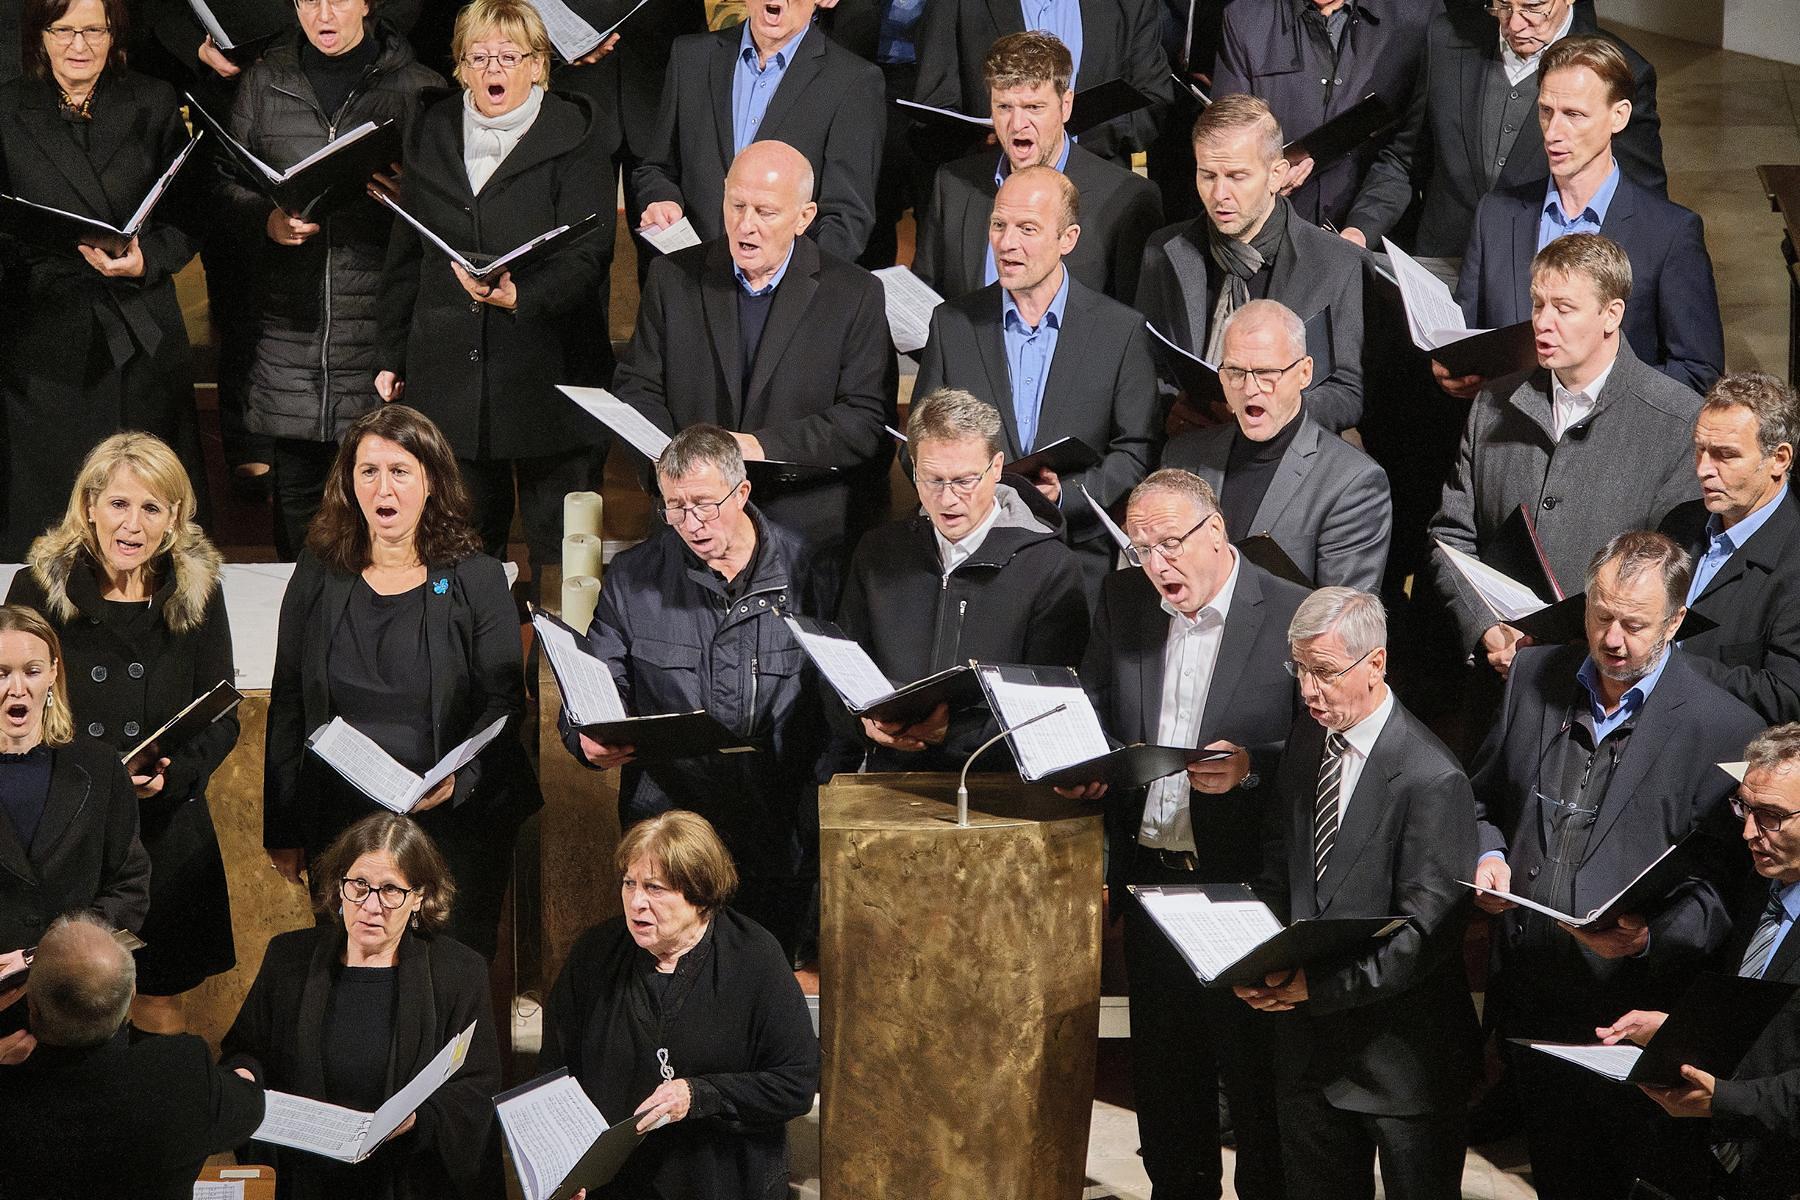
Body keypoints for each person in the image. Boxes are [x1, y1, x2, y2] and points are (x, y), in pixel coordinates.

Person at [1469, 531, 1764, 1200]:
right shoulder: (1531, 677)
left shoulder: (1722, 726)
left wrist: (1650, 935)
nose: (1611, 638)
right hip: (1531, 994)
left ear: (1676, 622)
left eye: (1634, 624)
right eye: (1600, 615)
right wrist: (1487, 853)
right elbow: (1479, 798)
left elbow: (1729, 887)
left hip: (1631, 1014)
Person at [1059, 468, 1308, 1200]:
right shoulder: (1124, 600)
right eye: (1141, 549)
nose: (1157, 565)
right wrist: (1089, 764)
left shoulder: (1290, 611)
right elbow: (1095, 703)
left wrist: (1252, 769)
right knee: (1167, 1081)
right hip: (1152, 879)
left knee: (1255, 1081)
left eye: (1170, 544)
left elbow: (1323, 747)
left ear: (1216, 531)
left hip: (1245, 887)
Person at [264, 404, 540, 961]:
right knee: (353, 970)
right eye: (368, 471)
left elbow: (504, 702)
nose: (382, 488)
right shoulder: (320, 568)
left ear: (431, 480)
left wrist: (458, 781)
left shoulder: (476, 576)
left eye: (400, 471)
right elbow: (289, 694)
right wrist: (283, 825)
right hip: (342, 819)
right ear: (348, 482)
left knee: (446, 974)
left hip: (451, 819)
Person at [1236, 586, 1480, 1200]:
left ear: (1376, 663)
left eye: (1324, 672)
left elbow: (1423, 938)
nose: (1309, 690)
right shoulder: (1309, 738)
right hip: (1309, 1057)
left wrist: (1315, 988)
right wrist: (1253, 961)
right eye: (1300, 670)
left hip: (1402, 1064)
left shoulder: (1432, 777)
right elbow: (1281, 871)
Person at [564, 426, 830, 960]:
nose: (692, 523)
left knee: (762, 970)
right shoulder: (635, 576)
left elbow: (836, 703)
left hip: (777, 822)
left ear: (742, 492)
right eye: (676, 507)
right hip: (668, 823)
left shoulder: (810, 571)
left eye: (705, 504)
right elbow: (596, 680)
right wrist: (583, 736)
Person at [5, 434, 237, 1036]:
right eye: (118, 504)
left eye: (152, 508)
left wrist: (171, 777)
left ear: (174, 517)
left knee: (158, 999)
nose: (132, 524)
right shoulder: (38, 588)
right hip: (66, 833)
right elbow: (14, 703)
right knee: (56, 1003)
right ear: (89, 506)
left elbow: (221, 717)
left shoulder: (199, 592)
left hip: (166, 832)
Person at [375, 0, 611, 578]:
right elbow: (407, 253)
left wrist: (522, 297)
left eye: (508, 56)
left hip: (549, 376)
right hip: (450, 378)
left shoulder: (574, 131)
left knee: (562, 563)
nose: (492, 70)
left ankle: (560, 645)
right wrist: (390, 353)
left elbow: (590, 253)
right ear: (460, 66)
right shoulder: (431, 130)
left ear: (538, 64)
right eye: (478, 58)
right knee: (463, 559)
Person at [613, 139, 897, 584]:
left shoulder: (853, 294)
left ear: (804, 217)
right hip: (690, 524)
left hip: (802, 534)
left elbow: (863, 421)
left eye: (765, 212)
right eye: (736, 205)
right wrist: (680, 470)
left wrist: (754, 447)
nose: (746, 225)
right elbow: (637, 387)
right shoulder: (674, 278)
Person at [219, 0, 443, 560]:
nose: (323, 14)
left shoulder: (418, 87)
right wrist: (267, 219)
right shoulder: (264, 83)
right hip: (289, 323)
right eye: (308, 0)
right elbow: (225, 184)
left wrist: (410, 199)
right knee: (297, 501)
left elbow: (453, 203)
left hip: (374, 318)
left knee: (379, 501)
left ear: (367, 3)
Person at [1427, 233, 1700, 682]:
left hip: (1606, 682)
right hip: (1498, 678)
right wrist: (1487, 628)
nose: (1542, 322)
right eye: (1538, 304)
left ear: (1612, 314)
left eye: (1564, 308)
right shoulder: (1492, 403)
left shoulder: (1677, 421)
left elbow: (1674, 575)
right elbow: (1451, 535)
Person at [0, 0, 207, 560]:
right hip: (42, 335)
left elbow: (191, 213)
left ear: (114, 34)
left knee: (144, 504)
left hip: (138, 327)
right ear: (39, 36)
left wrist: (145, 260)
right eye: (63, 30)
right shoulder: (7, 107)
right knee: (48, 511)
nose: (79, 45)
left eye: (94, 30)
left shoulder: (153, 100)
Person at [222, 813, 504, 1200]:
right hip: (309, 1178)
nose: (371, 905)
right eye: (359, 885)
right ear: (340, 887)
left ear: (418, 896)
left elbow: (475, 1088)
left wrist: (418, 1120)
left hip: (406, 1179)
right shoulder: (288, 958)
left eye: (390, 890)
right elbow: (247, 1050)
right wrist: (244, 1075)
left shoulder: (459, 972)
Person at [540, 811, 819, 1200]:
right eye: (629, 883)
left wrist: (699, 1095)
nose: (636, 902)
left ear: (700, 894)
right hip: (618, 1184)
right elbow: (554, 1075)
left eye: (654, 888)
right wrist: (565, 1168)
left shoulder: (755, 958)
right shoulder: (595, 954)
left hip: (722, 1181)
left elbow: (795, 1083)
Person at [916, 165, 1159, 595]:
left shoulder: (1119, 330)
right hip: (970, 553)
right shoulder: (952, 324)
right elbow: (916, 443)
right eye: (998, 225)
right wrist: (970, 493)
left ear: (1068, 239)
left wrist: (1064, 494)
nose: (1006, 243)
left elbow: (1136, 451)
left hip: (1073, 556)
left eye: (1027, 229)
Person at [1450, 35, 1722, 399]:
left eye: (1574, 115)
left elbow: (1698, 372)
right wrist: (1457, 368)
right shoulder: (1496, 216)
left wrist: (1592, 392)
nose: (1553, 133)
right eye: (1546, 112)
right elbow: (1468, 338)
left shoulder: (1669, 234)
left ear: (1619, 116)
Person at [835, 387, 1089, 774]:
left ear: (997, 467)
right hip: (891, 777)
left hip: (1000, 786)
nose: (948, 499)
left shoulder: (1050, 568)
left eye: (964, 480)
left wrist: (951, 733)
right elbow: (841, 675)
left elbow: (1054, 710)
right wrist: (863, 723)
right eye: (933, 480)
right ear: (913, 468)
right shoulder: (877, 553)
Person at [1598, 721, 1800, 1200]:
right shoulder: (1763, 886)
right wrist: (1682, 1033)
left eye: (1771, 816)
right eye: (1745, 808)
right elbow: (1765, 1024)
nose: (1749, 832)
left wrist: (1727, 1101)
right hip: (1720, 1162)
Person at [1342, 0, 1663, 258]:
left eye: (1533, 8)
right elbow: (1405, 159)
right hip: (1441, 267)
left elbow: (1643, 208)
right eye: (1504, 6)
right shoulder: (1446, 38)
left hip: (1541, 289)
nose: (1515, 24)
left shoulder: (1622, 73)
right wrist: (1360, 229)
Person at [1136, 94, 1366, 434]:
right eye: (1208, 175)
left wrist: (1276, 413)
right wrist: (1171, 407)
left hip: (1286, 452)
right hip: (1190, 444)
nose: (1220, 194)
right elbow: (1142, 367)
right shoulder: (1163, 252)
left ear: (1276, 175)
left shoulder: (1336, 263)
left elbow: (1346, 392)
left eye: (1237, 176)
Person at [0, 913, 265, 1200]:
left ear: (31, 1004)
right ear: (132, 993)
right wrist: (244, 1067)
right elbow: (250, 1109)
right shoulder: (181, 1074)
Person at [913, 31, 1161, 303]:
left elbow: (1130, 319)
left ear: (1066, 106)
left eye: (1033, 107)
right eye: (1004, 107)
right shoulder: (953, 184)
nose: (1017, 124)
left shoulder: (1127, 200)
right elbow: (926, 297)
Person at [1161, 299, 1391, 590]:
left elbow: (1343, 610)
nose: (1250, 389)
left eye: (1266, 373)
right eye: (1236, 372)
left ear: (1305, 373)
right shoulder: (1182, 457)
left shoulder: (1352, 482)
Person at [633, 0, 884, 261]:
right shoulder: (691, 56)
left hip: (786, 282)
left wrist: (795, 279)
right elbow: (656, 168)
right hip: (694, 269)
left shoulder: (853, 81)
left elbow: (847, 217)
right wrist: (662, 199)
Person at [0, 604, 150, 1033]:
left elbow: (129, 886)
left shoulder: (100, 767)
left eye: (31, 671)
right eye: (1, 674)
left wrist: (41, 956)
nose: (17, 689)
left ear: (52, 673)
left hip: (80, 1009)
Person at [1211, 0, 1434, 230]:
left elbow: (1412, 152)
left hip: (1377, 234)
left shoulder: (1419, 16)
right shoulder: (1245, 18)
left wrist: (1364, 227)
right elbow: (1227, 144)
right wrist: (1259, 181)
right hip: (1276, 228)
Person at [1659, 373, 1800, 724]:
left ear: (1779, 459)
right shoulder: (1679, 523)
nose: (1703, 470)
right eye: (1700, 450)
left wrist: (1663, 665)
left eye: (1725, 455)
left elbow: (1788, 697)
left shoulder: (1794, 558)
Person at [910, 0, 1174, 166]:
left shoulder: (1129, 5)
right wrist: (983, 142)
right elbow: (932, 114)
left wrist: (1068, 139)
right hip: (991, 189)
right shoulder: (954, 4)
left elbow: (1153, 99)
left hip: (1096, 194)